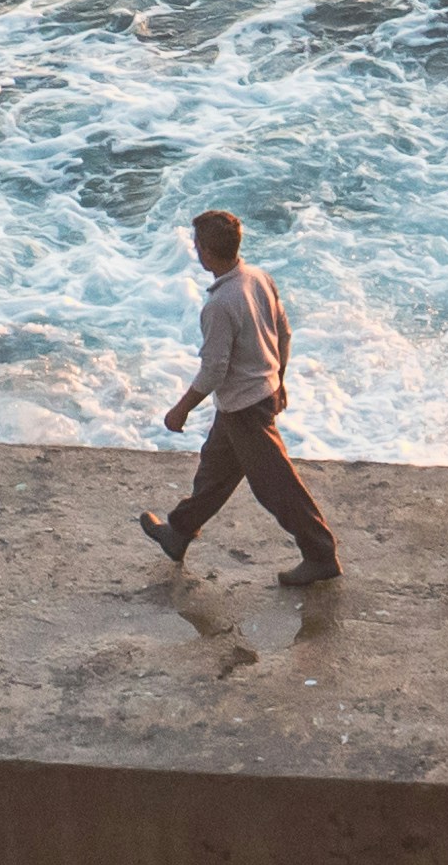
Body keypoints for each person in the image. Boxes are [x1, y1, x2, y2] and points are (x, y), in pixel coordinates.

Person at [140, 207, 339, 586]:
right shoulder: (258, 278)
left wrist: (179, 411)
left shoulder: (218, 306)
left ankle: (321, 554)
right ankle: (178, 532)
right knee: (214, 471)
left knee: (276, 487)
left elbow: (214, 369)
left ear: (205, 253)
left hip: (246, 409)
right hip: (252, 397)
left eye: (197, 245)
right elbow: (284, 332)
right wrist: (278, 380)